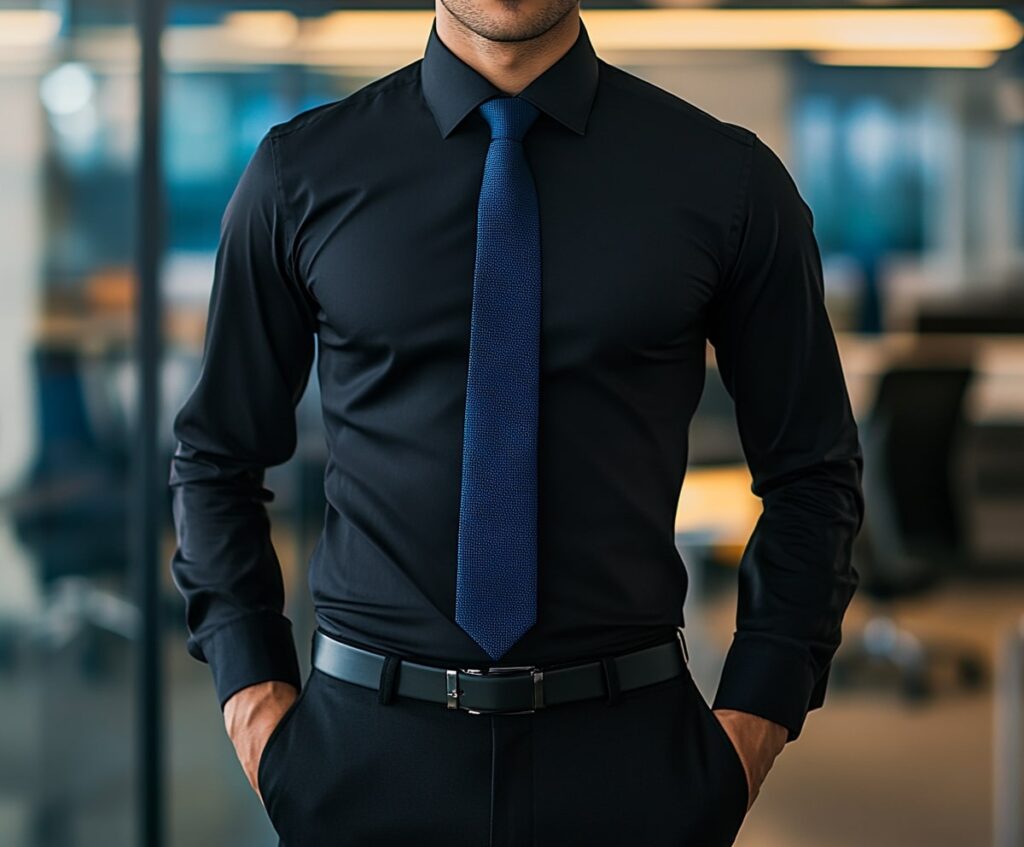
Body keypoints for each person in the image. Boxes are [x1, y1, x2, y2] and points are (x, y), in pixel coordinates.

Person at [168, 2, 865, 845]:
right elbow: (214, 459)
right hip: (361, 761)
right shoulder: (299, 174)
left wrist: (755, 716)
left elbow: (813, 475)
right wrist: (256, 705)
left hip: (633, 763)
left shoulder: (724, 182)